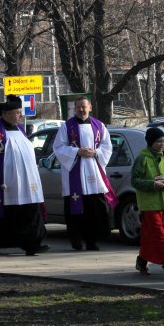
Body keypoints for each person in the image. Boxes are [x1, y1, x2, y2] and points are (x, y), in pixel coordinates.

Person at [0, 95, 49, 256]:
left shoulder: (20, 130)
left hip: (25, 182)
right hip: (5, 183)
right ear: (7, 113)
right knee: (1, 214)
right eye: (18, 113)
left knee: (29, 211)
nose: (20, 116)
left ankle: (32, 244)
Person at [53, 96, 114, 251]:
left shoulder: (99, 125)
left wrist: (96, 152)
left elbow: (107, 146)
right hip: (75, 172)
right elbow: (58, 147)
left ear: (90, 107)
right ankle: (76, 240)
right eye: (78, 107)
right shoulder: (67, 127)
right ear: (75, 109)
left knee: (94, 210)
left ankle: (92, 241)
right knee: (76, 209)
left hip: (94, 172)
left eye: (84, 107)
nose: (81, 110)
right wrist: (77, 151)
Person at [131, 127, 164, 279]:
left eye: (163, 141)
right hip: (148, 204)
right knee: (159, 235)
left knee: (150, 236)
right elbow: (134, 181)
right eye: (158, 141)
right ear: (150, 142)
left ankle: (141, 261)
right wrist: (152, 185)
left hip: (161, 202)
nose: (162, 144)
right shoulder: (142, 158)